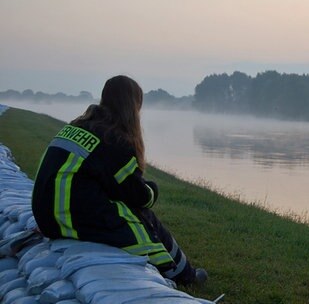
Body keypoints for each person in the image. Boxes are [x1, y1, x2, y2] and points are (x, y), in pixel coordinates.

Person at [31, 75, 207, 286]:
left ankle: (182, 270)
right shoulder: (113, 138)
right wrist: (152, 189)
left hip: (46, 217)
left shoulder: (77, 126)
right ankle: (184, 274)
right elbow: (137, 195)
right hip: (68, 218)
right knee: (142, 218)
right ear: (133, 107)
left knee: (127, 209)